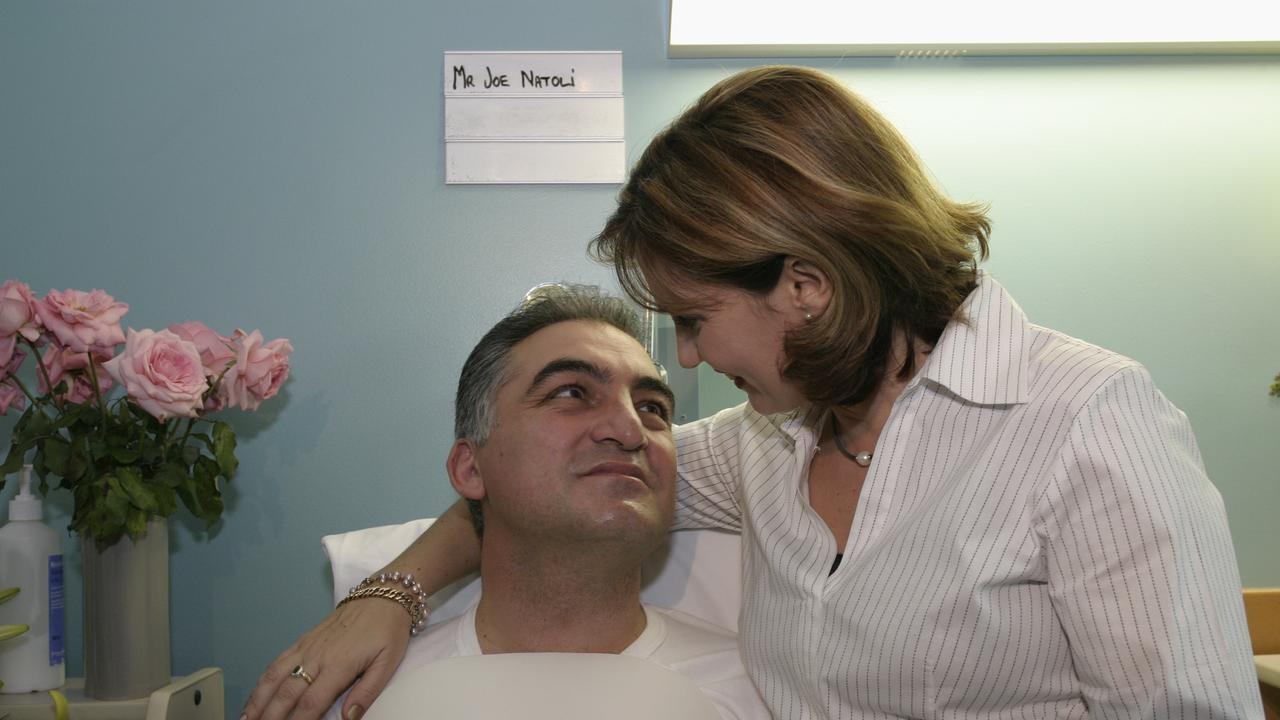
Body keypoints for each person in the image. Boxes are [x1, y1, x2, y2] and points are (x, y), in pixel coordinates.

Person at [247, 66, 1261, 720]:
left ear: (803, 290)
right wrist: (382, 598)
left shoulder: (1082, 422)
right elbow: (549, 493)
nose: (684, 363)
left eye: (691, 320)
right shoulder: (767, 446)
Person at [310, 285, 768, 720]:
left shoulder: (765, 692)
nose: (631, 431)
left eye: (652, 408)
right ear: (470, 469)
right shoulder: (358, 693)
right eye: (571, 393)